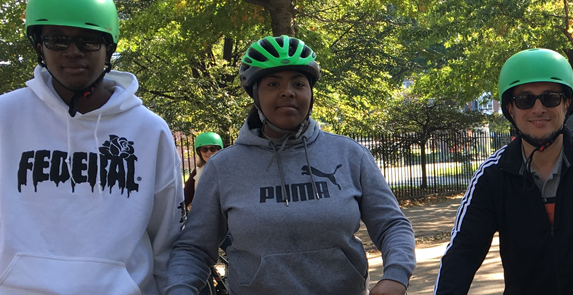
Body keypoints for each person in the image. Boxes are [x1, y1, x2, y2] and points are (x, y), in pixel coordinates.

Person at [0, 0, 185, 293]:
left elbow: (166, 239)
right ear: (39, 46)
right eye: (57, 40)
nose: (73, 51)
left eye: (89, 40)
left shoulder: (150, 131)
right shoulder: (2, 116)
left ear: (109, 47)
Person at [165, 36, 415, 295]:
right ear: (255, 95)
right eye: (273, 84)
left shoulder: (350, 154)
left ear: (311, 93)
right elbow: (194, 249)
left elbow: (392, 225)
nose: (288, 92)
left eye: (298, 83)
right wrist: (180, 289)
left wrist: (396, 275)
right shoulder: (224, 167)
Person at [435, 48, 573, 294]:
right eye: (524, 100)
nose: (538, 109)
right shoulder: (494, 174)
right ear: (510, 108)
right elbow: (463, 251)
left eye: (550, 98)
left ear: (567, 103)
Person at [184, 132, 223, 208]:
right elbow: (187, 194)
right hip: (202, 213)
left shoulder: (227, 170)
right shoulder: (197, 171)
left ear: (219, 150)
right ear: (199, 152)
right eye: (204, 149)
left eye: (213, 149)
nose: (209, 152)